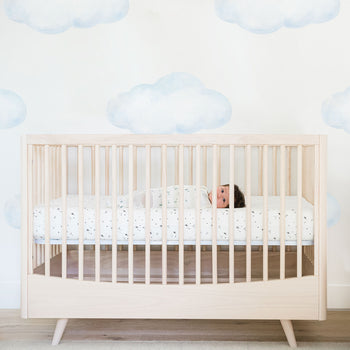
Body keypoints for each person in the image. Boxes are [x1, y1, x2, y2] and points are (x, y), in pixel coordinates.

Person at [116, 184, 245, 209]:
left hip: (165, 204)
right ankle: (120, 202)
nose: (219, 195)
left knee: (142, 204)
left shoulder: (207, 208)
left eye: (223, 200)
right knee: (141, 196)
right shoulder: (203, 189)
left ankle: (123, 204)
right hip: (164, 194)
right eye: (222, 190)